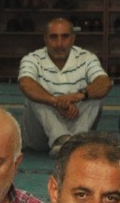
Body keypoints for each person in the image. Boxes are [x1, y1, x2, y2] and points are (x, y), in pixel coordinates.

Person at [17, 17, 112, 154]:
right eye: (53, 37)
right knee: (35, 96)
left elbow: (104, 83)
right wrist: (56, 102)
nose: (59, 44)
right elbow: (25, 83)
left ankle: (73, 142)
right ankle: (61, 139)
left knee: (95, 95)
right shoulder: (32, 59)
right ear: (45, 39)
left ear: (73, 38)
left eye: (65, 37)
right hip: (39, 136)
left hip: (76, 126)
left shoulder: (87, 58)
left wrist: (78, 95)